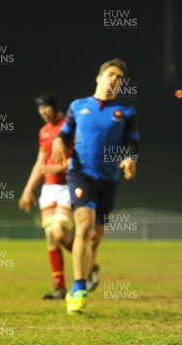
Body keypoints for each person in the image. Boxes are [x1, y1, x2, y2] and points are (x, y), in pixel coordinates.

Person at [52, 58, 139, 315]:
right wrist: (58, 141)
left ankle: (88, 272)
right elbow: (65, 133)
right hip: (80, 174)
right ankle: (77, 289)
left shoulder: (126, 111)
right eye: (111, 74)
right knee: (85, 226)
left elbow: (132, 143)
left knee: (96, 235)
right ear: (99, 78)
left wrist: (129, 159)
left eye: (119, 78)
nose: (115, 80)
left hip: (108, 180)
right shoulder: (78, 106)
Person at [18, 93, 74, 300]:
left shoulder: (69, 127)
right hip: (49, 189)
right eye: (40, 111)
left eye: (46, 109)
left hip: (68, 186)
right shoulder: (44, 132)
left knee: (59, 232)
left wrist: (59, 166)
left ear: (55, 107)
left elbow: (82, 158)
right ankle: (59, 288)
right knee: (51, 237)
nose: (43, 113)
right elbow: (40, 164)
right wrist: (28, 189)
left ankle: (89, 264)